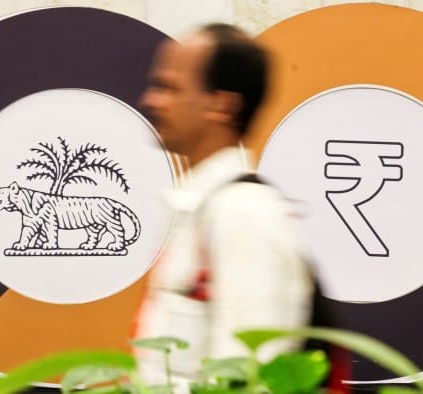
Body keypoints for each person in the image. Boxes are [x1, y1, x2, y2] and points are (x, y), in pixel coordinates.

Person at [134, 23, 314, 386]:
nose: (150, 102)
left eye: (169, 88)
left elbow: (249, 376)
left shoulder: (243, 215)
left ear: (222, 105)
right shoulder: (202, 207)